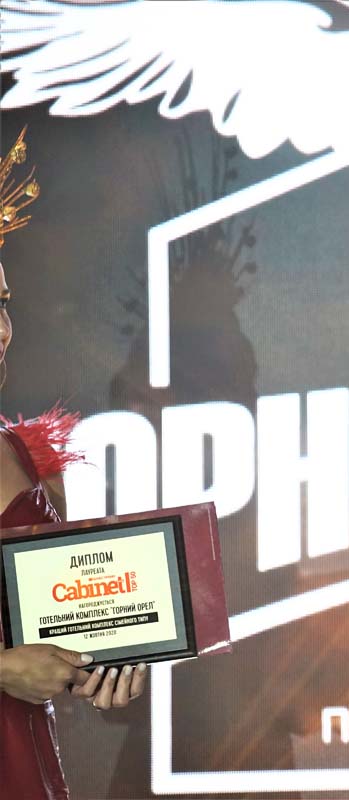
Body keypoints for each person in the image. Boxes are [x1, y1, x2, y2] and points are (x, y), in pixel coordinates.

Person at [0, 128, 147, 799]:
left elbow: (69, 627)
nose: (1, 329)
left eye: (3, 303)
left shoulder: (33, 459)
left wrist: (102, 663)